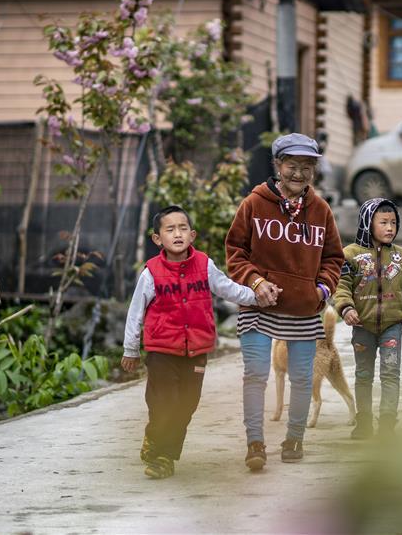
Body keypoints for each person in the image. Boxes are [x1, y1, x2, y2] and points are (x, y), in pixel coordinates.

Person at [226, 133, 344, 471]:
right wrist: (255, 281)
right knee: (256, 374)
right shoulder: (254, 204)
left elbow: (334, 257)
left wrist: (321, 290)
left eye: (307, 167)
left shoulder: (320, 210)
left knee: (303, 378)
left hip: (303, 309)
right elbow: (235, 251)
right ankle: (255, 443)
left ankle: (294, 438)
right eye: (292, 165)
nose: (299, 173)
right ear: (278, 165)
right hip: (258, 308)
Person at [122, 205, 262, 479]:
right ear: (157, 239)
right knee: (163, 403)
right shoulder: (151, 273)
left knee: (187, 403)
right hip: (162, 350)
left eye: (183, 228)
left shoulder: (205, 265)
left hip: (196, 350)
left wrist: (258, 296)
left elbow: (228, 289)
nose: (177, 234)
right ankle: (163, 455)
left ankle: (158, 442)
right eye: (170, 229)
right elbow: (135, 312)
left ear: (193, 235)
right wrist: (130, 349)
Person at [334, 198, 402, 439]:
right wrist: (346, 308)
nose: (390, 228)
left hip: (392, 327)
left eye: (393, 222)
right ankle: (363, 423)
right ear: (367, 223)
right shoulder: (349, 256)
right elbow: (340, 285)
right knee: (363, 375)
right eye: (383, 222)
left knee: (390, 374)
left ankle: (386, 424)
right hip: (362, 326)